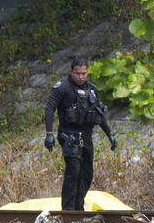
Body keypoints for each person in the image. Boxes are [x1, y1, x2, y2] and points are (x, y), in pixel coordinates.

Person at [43, 57, 116, 211]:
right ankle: (69, 211)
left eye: (84, 73)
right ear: (72, 72)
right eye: (78, 73)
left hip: (86, 135)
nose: (81, 77)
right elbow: (49, 109)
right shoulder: (62, 87)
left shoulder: (92, 89)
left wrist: (110, 135)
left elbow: (99, 115)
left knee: (87, 173)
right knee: (73, 171)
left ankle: (78, 208)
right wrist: (49, 133)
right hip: (68, 135)